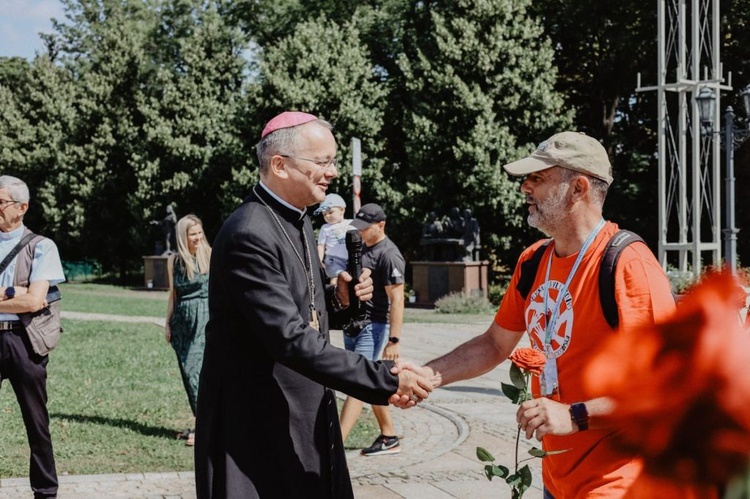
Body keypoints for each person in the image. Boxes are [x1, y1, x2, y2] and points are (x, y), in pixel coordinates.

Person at [399, 132, 676, 497]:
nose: (524, 188)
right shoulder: (533, 261)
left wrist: (573, 416)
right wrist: (428, 376)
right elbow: (495, 344)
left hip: (621, 478)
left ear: (578, 188)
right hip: (557, 479)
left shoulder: (628, 264)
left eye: (538, 178)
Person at [194, 111, 431, 499]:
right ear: (279, 165)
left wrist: (342, 301)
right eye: (323, 162)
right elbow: (288, 338)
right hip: (255, 417)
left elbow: (306, 308)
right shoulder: (249, 233)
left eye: (334, 161)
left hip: (301, 404)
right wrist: (384, 378)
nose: (333, 171)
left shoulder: (300, 220)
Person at [0, 175, 65, 499]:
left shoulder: (41, 246)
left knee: (36, 423)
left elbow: (34, 301)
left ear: (21, 207)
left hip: (24, 343)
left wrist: (19, 295)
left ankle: (45, 491)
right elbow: (22, 296)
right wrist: (13, 291)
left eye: (1, 202)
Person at [339, 203, 406, 456]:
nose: (361, 233)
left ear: (381, 226)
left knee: (358, 382)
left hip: (373, 326)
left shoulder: (389, 254)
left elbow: (397, 299)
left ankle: (335, 446)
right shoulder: (361, 249)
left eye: (365, 229)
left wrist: (394, 340)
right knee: (369, 381)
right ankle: (389, 436)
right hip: (354, 324)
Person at [165, 214, 211, 447]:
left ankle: (204, 426)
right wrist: (167, 322)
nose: (198, 237)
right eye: (193, 234)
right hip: (182, 321)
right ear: (183, 236)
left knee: (198, 372)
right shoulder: (174, 261)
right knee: (187, 372)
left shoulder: (210, 255)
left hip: (204, 318)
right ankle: (201, 421)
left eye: (199, 232)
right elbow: (173, 294)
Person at [315, 193, 353, 281]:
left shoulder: (351, 223)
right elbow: (321, 246)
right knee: (337, 278)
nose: (327, 216)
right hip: (333, 260)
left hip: (350, 258)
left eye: (330, 212)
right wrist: (319, 260)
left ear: (342, 210)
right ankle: (333, 293)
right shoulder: (325, 228)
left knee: (351, 279)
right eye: (324, 214)